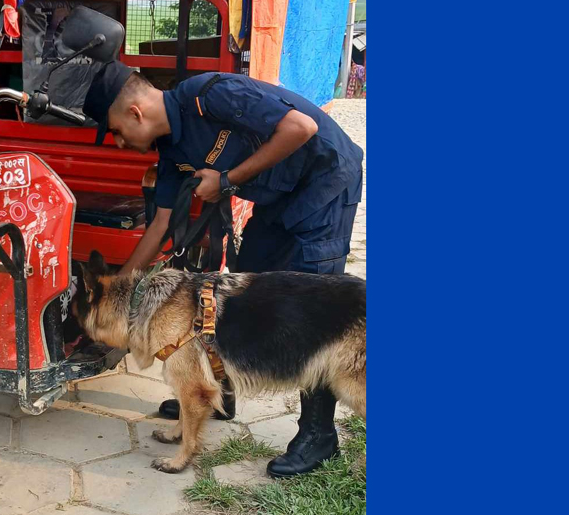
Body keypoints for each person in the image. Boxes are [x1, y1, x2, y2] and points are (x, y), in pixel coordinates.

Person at [82, 63, 363, 478]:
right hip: (277, 198)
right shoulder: (171, 152)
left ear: (135, 113)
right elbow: (160, 226)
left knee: (313, 311)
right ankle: (215, 389)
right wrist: (115, 293)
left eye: (118, 132)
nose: (122, 144)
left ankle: (318, 435)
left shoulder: (211, 94)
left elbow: (300, 128)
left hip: (324, 182)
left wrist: (227, 180)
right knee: (246, 289)